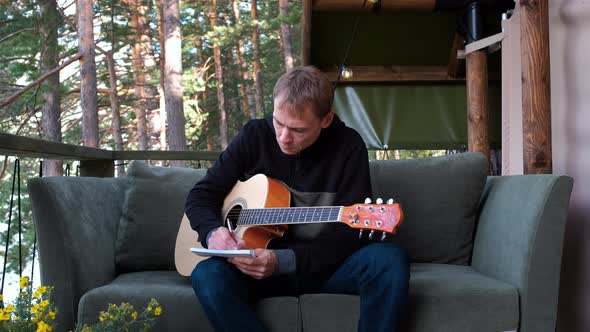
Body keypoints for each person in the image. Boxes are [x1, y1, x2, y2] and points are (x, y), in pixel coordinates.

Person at [185, 65, 409, 332]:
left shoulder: (348, 146)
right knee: (206, 275)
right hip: (253, 269)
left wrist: (283, 261)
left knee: (388, 260)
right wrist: (212, 232)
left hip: (323, 268)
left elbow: (348, 238)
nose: (284, 137)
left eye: (298, 130)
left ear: (325, 120)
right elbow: (200, 195)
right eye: (279, 123)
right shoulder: (255, 136)